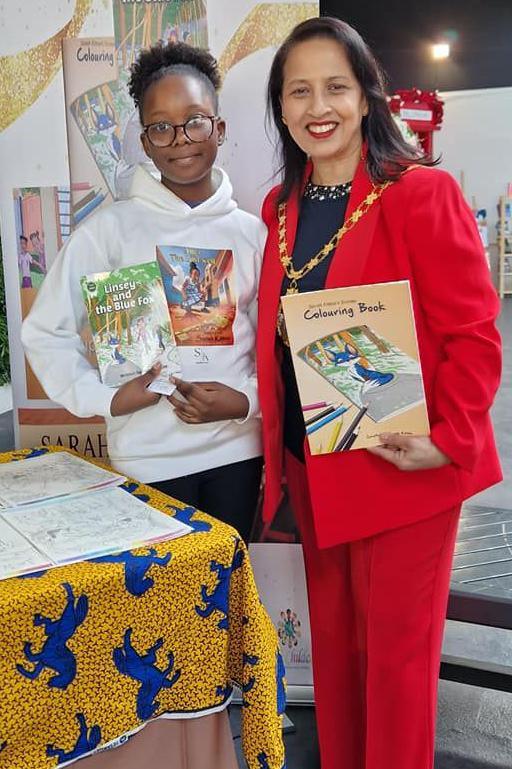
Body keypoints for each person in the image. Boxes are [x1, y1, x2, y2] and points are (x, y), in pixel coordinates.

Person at [257, 17, 502, 769]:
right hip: (317, 467)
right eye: (299, 90)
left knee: (395, 667)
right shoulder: (280, 208)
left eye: (335, 86)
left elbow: (474, 337)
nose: (317, 105)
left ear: (368, 97)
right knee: (335, 660)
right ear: (282, 106)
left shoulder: (418, 194)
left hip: (403, 468)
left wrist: (448, 440)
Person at [22, 42, 265, 544]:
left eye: (196, 121)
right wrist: (108, 398)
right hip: (148, 460)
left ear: (219, 129)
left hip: (238, 453)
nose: (181, 139)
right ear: (145, 141)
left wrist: (246, 403)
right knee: (161, 607)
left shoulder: (251, 234)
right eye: (162, 127)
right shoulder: (109, 232)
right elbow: (46, 332)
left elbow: (274, 345)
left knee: (227, 597)